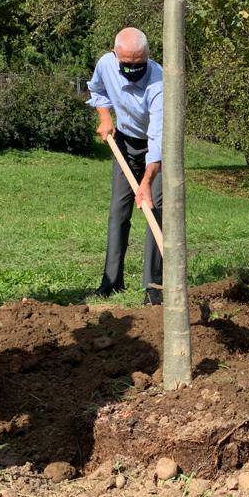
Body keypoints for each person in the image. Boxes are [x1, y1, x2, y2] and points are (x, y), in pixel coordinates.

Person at [87, 28, 164, 305]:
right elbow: (96, 89)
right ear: (115, 54)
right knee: (118, 213)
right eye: (127, 64)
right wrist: (105, 117)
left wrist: (146, 181)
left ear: (147, 57)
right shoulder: (105, 65)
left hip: (155, 149)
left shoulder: (159, 83)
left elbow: (157, 137)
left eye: (138, 64)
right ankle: (111, 281)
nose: (133, 69)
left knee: (154, 211)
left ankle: (154, 286)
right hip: (124, 142)